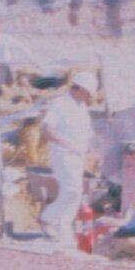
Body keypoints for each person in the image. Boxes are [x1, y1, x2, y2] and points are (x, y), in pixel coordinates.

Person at [38, 78, 96, 253]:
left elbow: (86, 132)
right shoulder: (60, 104)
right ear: (79, 89)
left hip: (77, 155)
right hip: (63, 154)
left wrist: (93, 150)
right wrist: (65, 144)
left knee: (75, 194)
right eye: (87, 93)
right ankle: (47, 218)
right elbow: (47, 128)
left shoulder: (81, 107)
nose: (89, 97)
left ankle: (63, 231)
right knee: (72, 190)